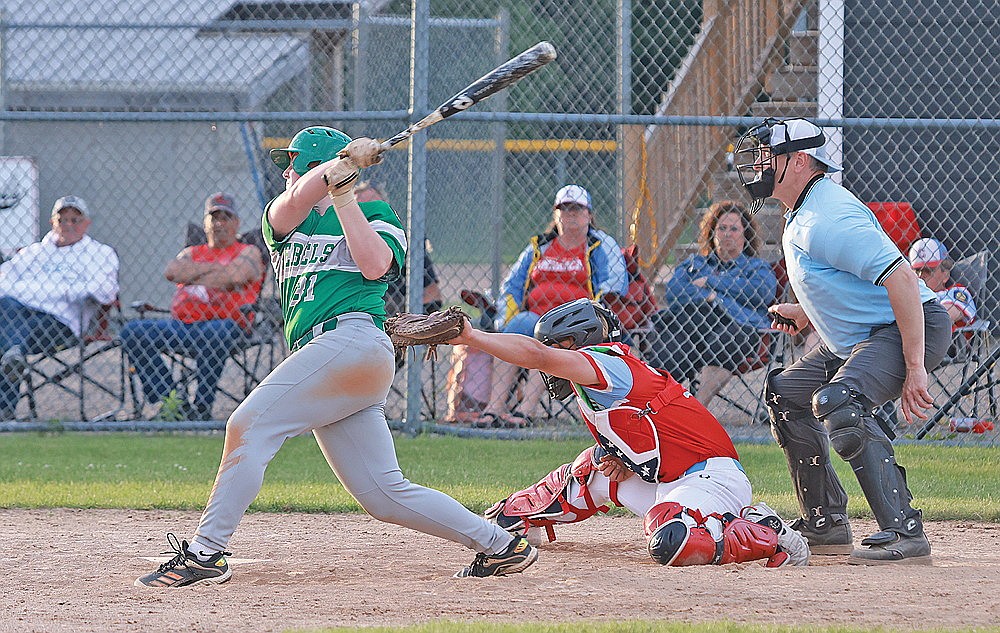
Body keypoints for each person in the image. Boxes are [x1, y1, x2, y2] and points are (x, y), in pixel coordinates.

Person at [135, 126, 536, 587]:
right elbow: (299, 195)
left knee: (246, 426)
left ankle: (206, 553)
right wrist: (338, 170)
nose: (286, 171)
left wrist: (346, 194)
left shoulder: (376, 213)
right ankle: (501, 545)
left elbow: (373, 266)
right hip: (328, 358)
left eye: (294, 161)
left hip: (353, 343)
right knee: (383, 494)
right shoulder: (282, 220)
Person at [448, 298, 809, 568]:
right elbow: (643, 438)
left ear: (580, 342)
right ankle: (517, 516)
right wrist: (622, 458)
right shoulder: (598, 381)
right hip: (671, 478)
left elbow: (536, 356)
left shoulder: (608, 363)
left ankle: (766, 533)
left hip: (712, 480)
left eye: (559, 346)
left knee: (669, 540)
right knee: (593, 466)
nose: (553, 359)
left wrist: (471, 336)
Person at [734, 117, 952, 563]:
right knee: (787, 392)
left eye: (765, 155)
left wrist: (915, 368)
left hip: (910, 325)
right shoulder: (805, 206)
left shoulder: (826, 216)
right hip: (865, 334)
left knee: (839, 401)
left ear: (797, 162)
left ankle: (904, 533)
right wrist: (809, 313)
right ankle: (826, 523)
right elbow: (848, 284)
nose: (756, 165)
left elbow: (904, 281)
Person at [478, 184, 627, 427]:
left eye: (577, 208)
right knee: (512, 329)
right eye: (564, 208)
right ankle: (494, 409)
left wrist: (593, 312)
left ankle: (525, 411)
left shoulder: (601, 245)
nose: (570, 213)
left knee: (546, 340)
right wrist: (504, 317)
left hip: (576, 323)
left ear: (589, 214)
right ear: (555, 215)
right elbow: (511, 285)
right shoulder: (540, 246)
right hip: (534, 317)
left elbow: (615, 283)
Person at [120, 193, 266, 420]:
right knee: (133, 332)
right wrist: (220, 274)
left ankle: (201, 407)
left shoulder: (248, 251)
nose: (219, 223)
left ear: (236, 223)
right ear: (205, 223)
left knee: (217, 333)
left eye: (226, 217)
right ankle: (173, 402)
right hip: (181, 326)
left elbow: (236, 275)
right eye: (213, 217)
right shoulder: (192, 251)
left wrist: (195, 273)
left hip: (227, 326)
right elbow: (172, 271)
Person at [647, 201, 777, 406]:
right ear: (712, 232)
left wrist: (712, 286)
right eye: (721, 228)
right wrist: (710, 297)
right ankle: (655, 406)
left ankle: (696, 409)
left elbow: (762, 293)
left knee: (725, 341)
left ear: (745, 234)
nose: (727, 234)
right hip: (694, 325)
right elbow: (674, 291)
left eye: (734, 229)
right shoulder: (694, 264)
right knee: (672, 341)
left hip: (738, 326)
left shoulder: (756, 267)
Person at [0, 195, 119, 419]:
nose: (69, 225)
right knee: (5, 307)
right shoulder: (33, 252)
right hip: (16, 313)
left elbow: (106, 291)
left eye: (75, 220)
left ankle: (4, 406)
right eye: (63, 220)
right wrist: (65, 291)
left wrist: (28, 290)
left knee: (7, 330)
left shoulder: (100, 253)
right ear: (52, 222)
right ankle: (13, 357)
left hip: (60, 324)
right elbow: (2, 280)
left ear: (87, 223)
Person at [356, 182, 443, 316]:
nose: (368, 210)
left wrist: (410, 315)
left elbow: (433, 292)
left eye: (373, 204)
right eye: (359, 206)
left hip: (394, 310)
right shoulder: (338, 242)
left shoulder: (403, 240)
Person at [908, 237, 977, 330]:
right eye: (917, 271)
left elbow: (944, 316)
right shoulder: (908, 294)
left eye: (927, 271)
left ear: (945, 275)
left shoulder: (956, 291)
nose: (920, 275)